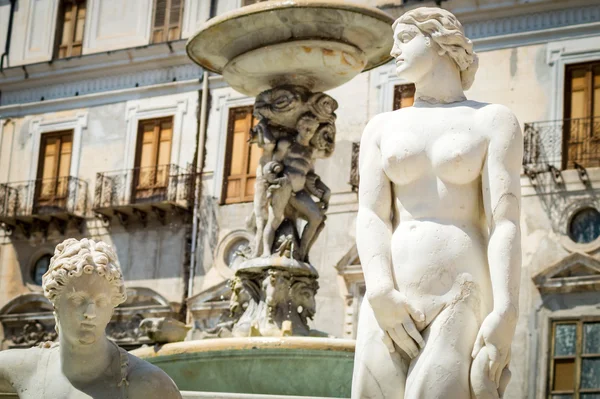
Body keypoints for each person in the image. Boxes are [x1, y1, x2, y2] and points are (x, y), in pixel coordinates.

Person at [352, 7, 522, 399]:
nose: (394, 51)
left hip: (461, 290)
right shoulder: (381, 127)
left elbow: (505, 222)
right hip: (392, 294)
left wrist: (507, 310)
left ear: (440, 41)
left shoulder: (493, 121)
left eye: (405, 39)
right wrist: (379, 290)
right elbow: (371, 215)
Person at [0, 238, 182, 399]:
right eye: (78, 299)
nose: (90, 312)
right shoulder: (23, 368)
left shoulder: (147, 385)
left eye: (101, 302)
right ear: (55, 303)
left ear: (112, 309)